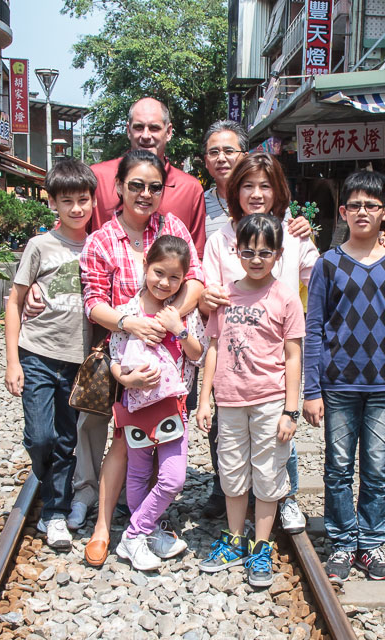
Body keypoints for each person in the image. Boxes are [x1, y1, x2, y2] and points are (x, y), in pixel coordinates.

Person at [79, 149, 204, 567]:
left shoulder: (172, 227)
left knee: (162, 445)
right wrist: (132, 324)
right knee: (124, 444)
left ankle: (147, 527)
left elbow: (196, 281)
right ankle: (105, 528)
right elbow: (93, 303)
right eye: (136, 185)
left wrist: (168, 321)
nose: (145, 194)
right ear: (118, 187)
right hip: (126, 357)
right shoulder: (101, 239)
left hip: (171, 361)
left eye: (154, 187)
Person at [302, 170, 385, 585]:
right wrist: (312, 390)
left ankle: (370, 543)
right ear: (342, 212)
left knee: (377, 469)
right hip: (338, 385)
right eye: (354, 205)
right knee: (337, 468)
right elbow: (314, 329)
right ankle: (341, 542)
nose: (362, 212)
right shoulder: (328, 264)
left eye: (371, 205)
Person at [199, 152, 318, 532]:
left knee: (277, 444)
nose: (256, 193)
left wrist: (361, 243)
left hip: (276, 361)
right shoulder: (220, 239)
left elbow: (320, 277)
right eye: (248, 185)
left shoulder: (293, 233)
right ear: (235, 190)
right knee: (232, 447)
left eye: (265, 186)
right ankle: (233, 510)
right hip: (233, 364)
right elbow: (207, 292)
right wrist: (207, 297)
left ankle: (286, 499)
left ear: (278, 190)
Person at [196, 214, 304, 587]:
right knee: (232, 472)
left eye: (264, 252)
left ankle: (261, 547)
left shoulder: (286, 297)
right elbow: (213, 348)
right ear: (236, 252)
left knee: (269, 474)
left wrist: (291, 410)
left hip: (269, 401)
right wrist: (205, 399)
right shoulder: (224, 296)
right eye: (248, 252)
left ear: (278, 254)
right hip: (229, 401)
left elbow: (293, 356)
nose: (256, 259)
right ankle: (235, 540)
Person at [2, 158, 96, 550]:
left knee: (65, 439)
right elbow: (14, 301)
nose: (76, 208)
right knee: (40, 437)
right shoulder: (40, 246)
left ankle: (55, 512)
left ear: (93, 201)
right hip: (38, 354)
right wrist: (12, 361)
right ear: (53, 203)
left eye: (83, 200)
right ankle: (50, 486)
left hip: (78, 360)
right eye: (67, 201)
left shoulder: (99, 245)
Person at [109, 235, 206, 570]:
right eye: (159, 273)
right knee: (137, 474)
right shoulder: (128, 312)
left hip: (173, 408)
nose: (165, 283)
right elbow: (114, 358)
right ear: (146, 266)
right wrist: (127, 380)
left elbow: (198, 355)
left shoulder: (184, 314)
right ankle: (146, 535)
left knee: (173, 478)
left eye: (174, 277)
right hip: (136, 406)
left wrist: (179, 329)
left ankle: (134, 533)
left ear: (184, 279)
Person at [90, 98, 205, 253]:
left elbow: (196, 256)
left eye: (154, 128)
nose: (145, 135)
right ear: (128, 130)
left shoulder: (190, 189)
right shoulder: (98, 178)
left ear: (168, 132)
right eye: (138, 127)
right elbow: (70, 235)